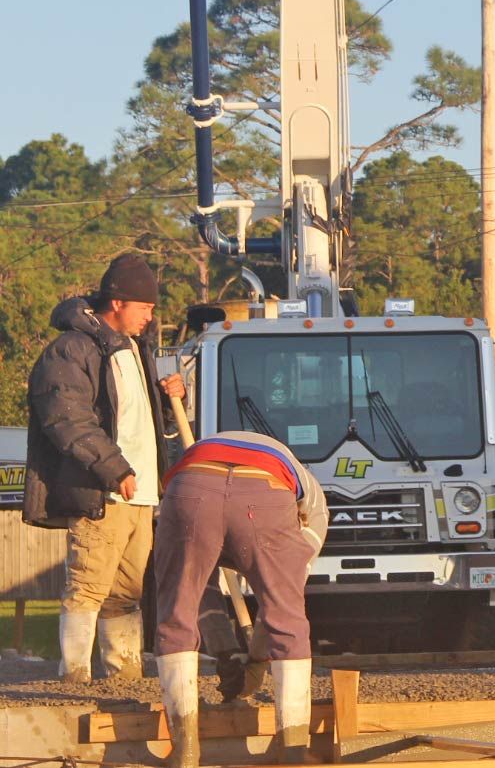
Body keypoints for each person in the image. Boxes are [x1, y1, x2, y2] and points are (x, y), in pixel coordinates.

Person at [23, 254, 185, 683]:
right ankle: (74, 679)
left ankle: (123, 678)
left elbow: (145, 424)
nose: (151, 318)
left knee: (126, 595)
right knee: (88, 588)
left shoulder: (136, 350)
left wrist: (173, 400)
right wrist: (115, 469)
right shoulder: (69, 350)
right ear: (118, 302)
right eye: (145, 308)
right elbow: (66, 419)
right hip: (101, 493)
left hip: (142, 493)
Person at [153, 430, 327, 768]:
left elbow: (198, 594)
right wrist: (252, 660)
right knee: (289, 618)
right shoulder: (313, 516)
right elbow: (277, 611)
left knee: (177, 606)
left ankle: (184, 752)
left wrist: (237, 656)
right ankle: (291, 751)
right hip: (264, 493)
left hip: (191, 484)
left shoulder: (294, 482)